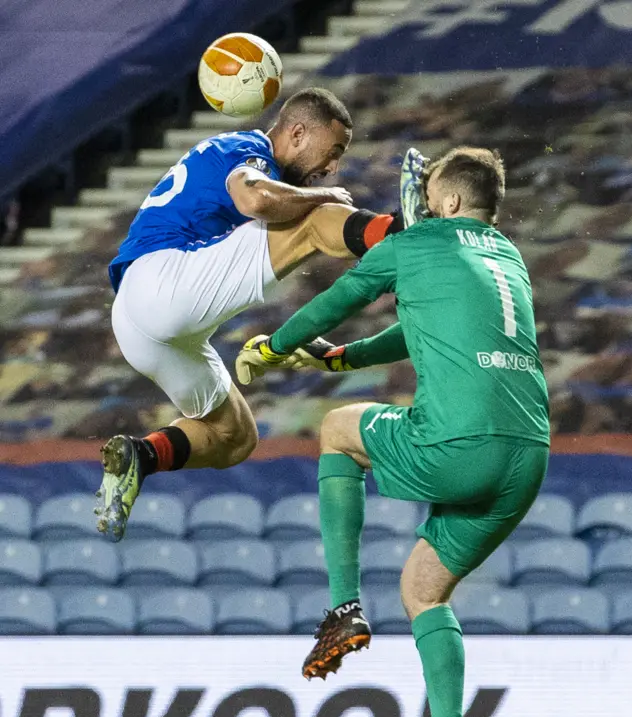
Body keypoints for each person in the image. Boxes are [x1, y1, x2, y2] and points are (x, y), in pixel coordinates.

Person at [236, 146, 550, 717]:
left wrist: (275, 345)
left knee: (338, 428)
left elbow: (339, 297)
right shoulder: (504, 257)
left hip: (459, 443)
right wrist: (348, 358)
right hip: (527, 456)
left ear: (450, 203)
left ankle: (343, 608)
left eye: (429, 194)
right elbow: (424, 327)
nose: (420, 204)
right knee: (424, 590)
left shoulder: (420, 242)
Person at [95, 87, 411, 541]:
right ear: (298, 133)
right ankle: (403, 230)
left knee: (234, 437)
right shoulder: (247, 148)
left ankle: (140, 456)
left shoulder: (239, 155)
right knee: (318, 214)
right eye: (334, 150)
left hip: (139, 324)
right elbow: (255, 200)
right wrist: (325, 197)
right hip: (160, 281)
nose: (333, 166)